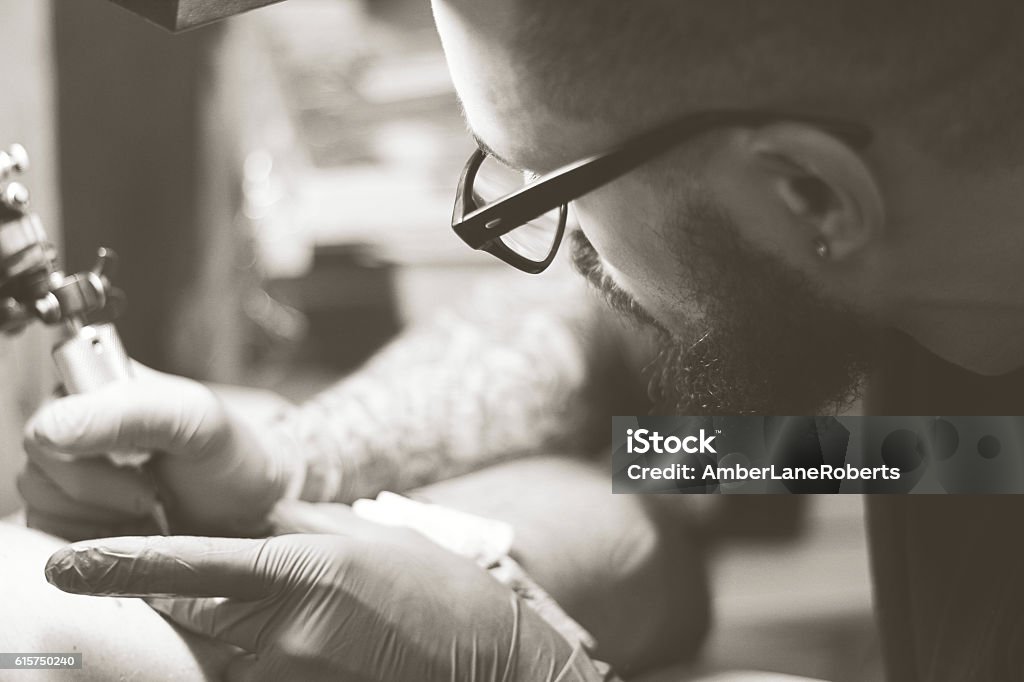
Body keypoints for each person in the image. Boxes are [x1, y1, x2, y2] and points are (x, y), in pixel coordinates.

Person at [18, 0, 1024, 679]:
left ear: (808, 191)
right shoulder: (934, 344)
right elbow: (610, 352)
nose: (565, 251)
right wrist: (303, 455)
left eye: (554, 188)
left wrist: (535, 662)